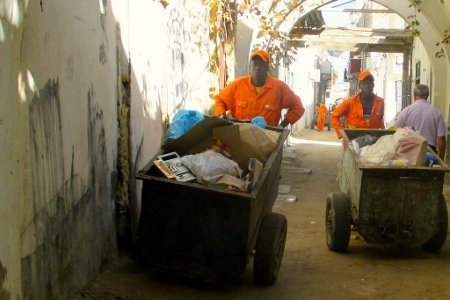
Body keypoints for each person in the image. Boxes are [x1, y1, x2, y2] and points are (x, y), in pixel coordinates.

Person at [214, 50, 305, 128]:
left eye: (261, 65)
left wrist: (281, 126)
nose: (257, 68)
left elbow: (298, 107)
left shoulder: (279, 88)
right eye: (255, 64)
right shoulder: (237, 85)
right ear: (250, 67)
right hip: (241, 136)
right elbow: (220, 99)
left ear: (267, 68)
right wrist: (221, 117)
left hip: (268, 139)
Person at [394, 84, 449, 160]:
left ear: (414, 96)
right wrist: (441, 158)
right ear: (427, 96)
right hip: (430, 152)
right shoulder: (436, 112)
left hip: (409, 151)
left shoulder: (406, 111)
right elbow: (441, 138)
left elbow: (395, 131)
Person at [330, 71, 385, 139]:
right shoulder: (350, 102)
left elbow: (380, 120)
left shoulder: (380, 102)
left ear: (373, 85)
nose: (367, 86)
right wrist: (342, 133)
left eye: (369, 83)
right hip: (353, 140)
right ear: (359, 86)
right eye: (364, 83)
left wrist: (383, 135)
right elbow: (334, 116)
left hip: (373, 140)